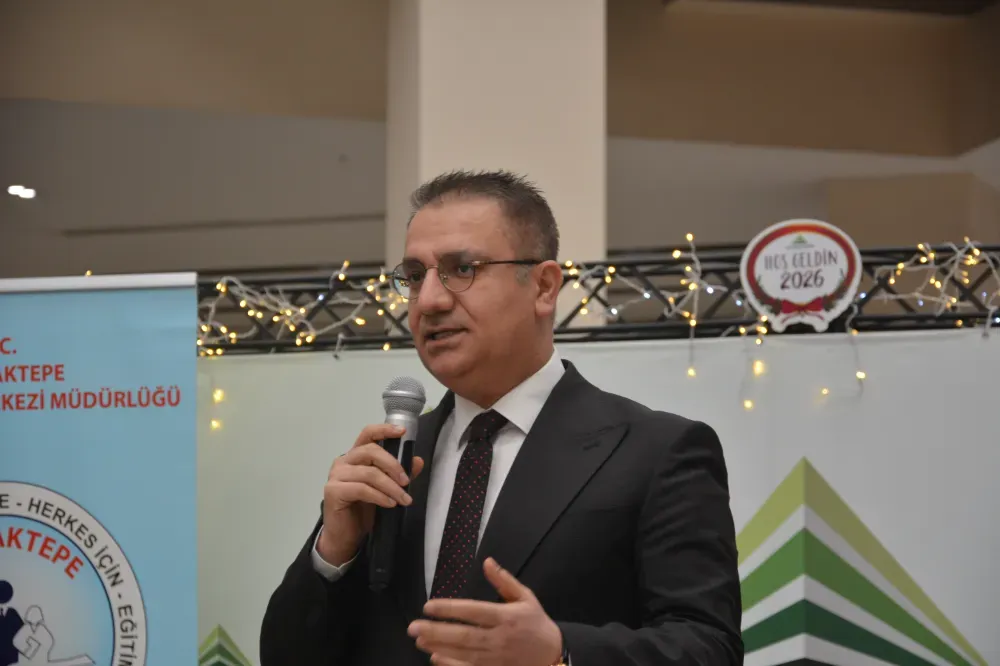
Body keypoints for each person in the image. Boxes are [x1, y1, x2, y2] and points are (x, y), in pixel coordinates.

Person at [259, 170, 743, 665]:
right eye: (416, 275)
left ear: (544, 287)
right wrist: (334, 553)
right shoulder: (390, 462)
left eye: (462, 269)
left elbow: (709, 648)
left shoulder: (656, 452)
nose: (430, 300)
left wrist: (559, 654)